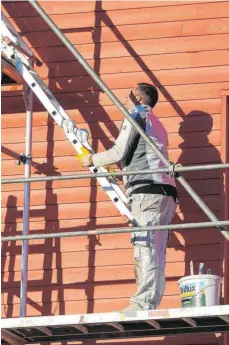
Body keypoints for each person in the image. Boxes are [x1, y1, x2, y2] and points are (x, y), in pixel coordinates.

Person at [78, 83, 177, 311]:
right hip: (164, 192)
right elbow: (143, 157)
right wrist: (121, 172)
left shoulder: (135, 115)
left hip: (147, 193)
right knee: (156, 249)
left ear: (139, 97)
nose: (126, 96)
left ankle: (143, 304)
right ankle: (151, 301)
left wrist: (91, 160)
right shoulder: (156, 123)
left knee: (145, 246)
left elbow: (119, 151)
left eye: (130, 92)